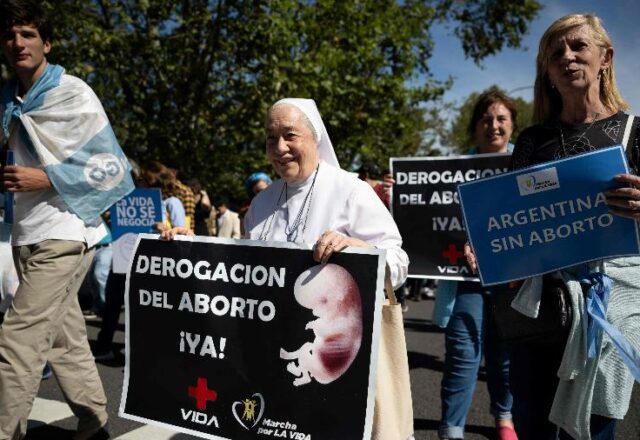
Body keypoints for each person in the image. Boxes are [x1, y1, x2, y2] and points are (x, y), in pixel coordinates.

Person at [466, 14, 640, 440]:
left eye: (579, 46)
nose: (567, 57)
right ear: (546, 69)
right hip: (538, 308)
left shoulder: (635, 134)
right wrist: (487, 248)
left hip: (608, 311)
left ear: (605, 58)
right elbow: (507, 220)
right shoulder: (531, 141)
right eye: (555, 52)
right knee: (533, 422)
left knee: (596, 429)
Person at [0, 1, 134, 438]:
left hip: (67, 231)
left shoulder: (71, 92)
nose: (18, 42)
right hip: (25, 233)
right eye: (10, 36)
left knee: (18, 339)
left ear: (47, 43)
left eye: (28, 34)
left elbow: (111, 165)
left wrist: (45, 176)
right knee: (65, 338)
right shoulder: (7, 101)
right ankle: (95, 423)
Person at [432, 90, 518, 440]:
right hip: (464, 279)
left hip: (513, 280)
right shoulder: (451, 171)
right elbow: (427, 218)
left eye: (501, 119)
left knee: (505, 356)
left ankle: (505, 418)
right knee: (462, 353)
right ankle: (451, 428)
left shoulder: (526, 165)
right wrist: (398, 194)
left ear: (513, 126)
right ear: (475, 127)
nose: (493, 126)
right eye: (486, 119)